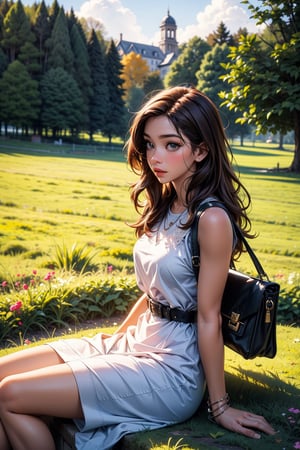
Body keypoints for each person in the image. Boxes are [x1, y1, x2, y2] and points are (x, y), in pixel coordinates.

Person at [0, 86, 276, 450]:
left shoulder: (211, 220)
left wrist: (220, 405)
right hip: (134, 342)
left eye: (171, 144)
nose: (156, 156)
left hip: (171, 369)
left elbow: (208, 317)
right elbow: (153, 296)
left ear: (201, 151)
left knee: (10, 395)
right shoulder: (166, 204)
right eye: (149, 144)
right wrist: (115, 343)